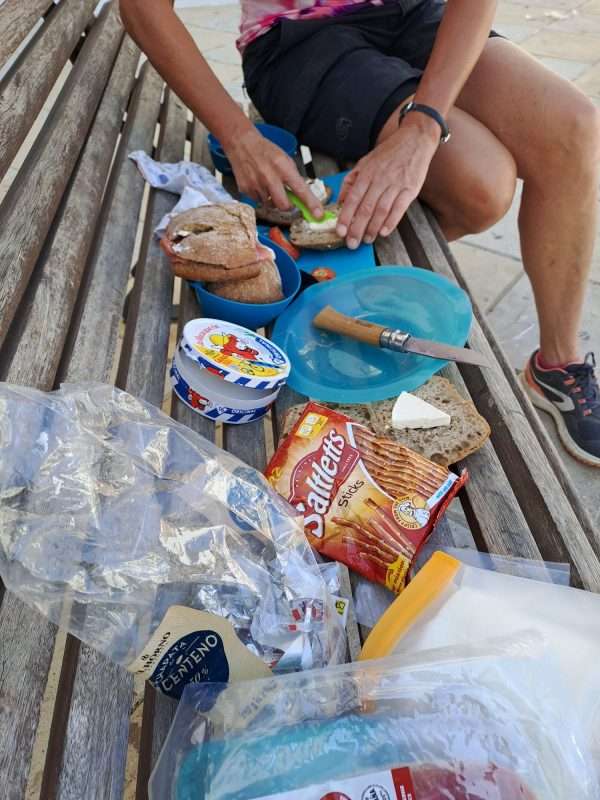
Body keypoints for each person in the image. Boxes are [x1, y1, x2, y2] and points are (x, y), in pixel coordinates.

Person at [120, 0, 600, 467]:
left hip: (414, 11)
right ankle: (364, 281)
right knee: (483, 183)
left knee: (576, 128)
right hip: (299, 35)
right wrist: (238, 136)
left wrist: (424, 126)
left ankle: (557, 365)